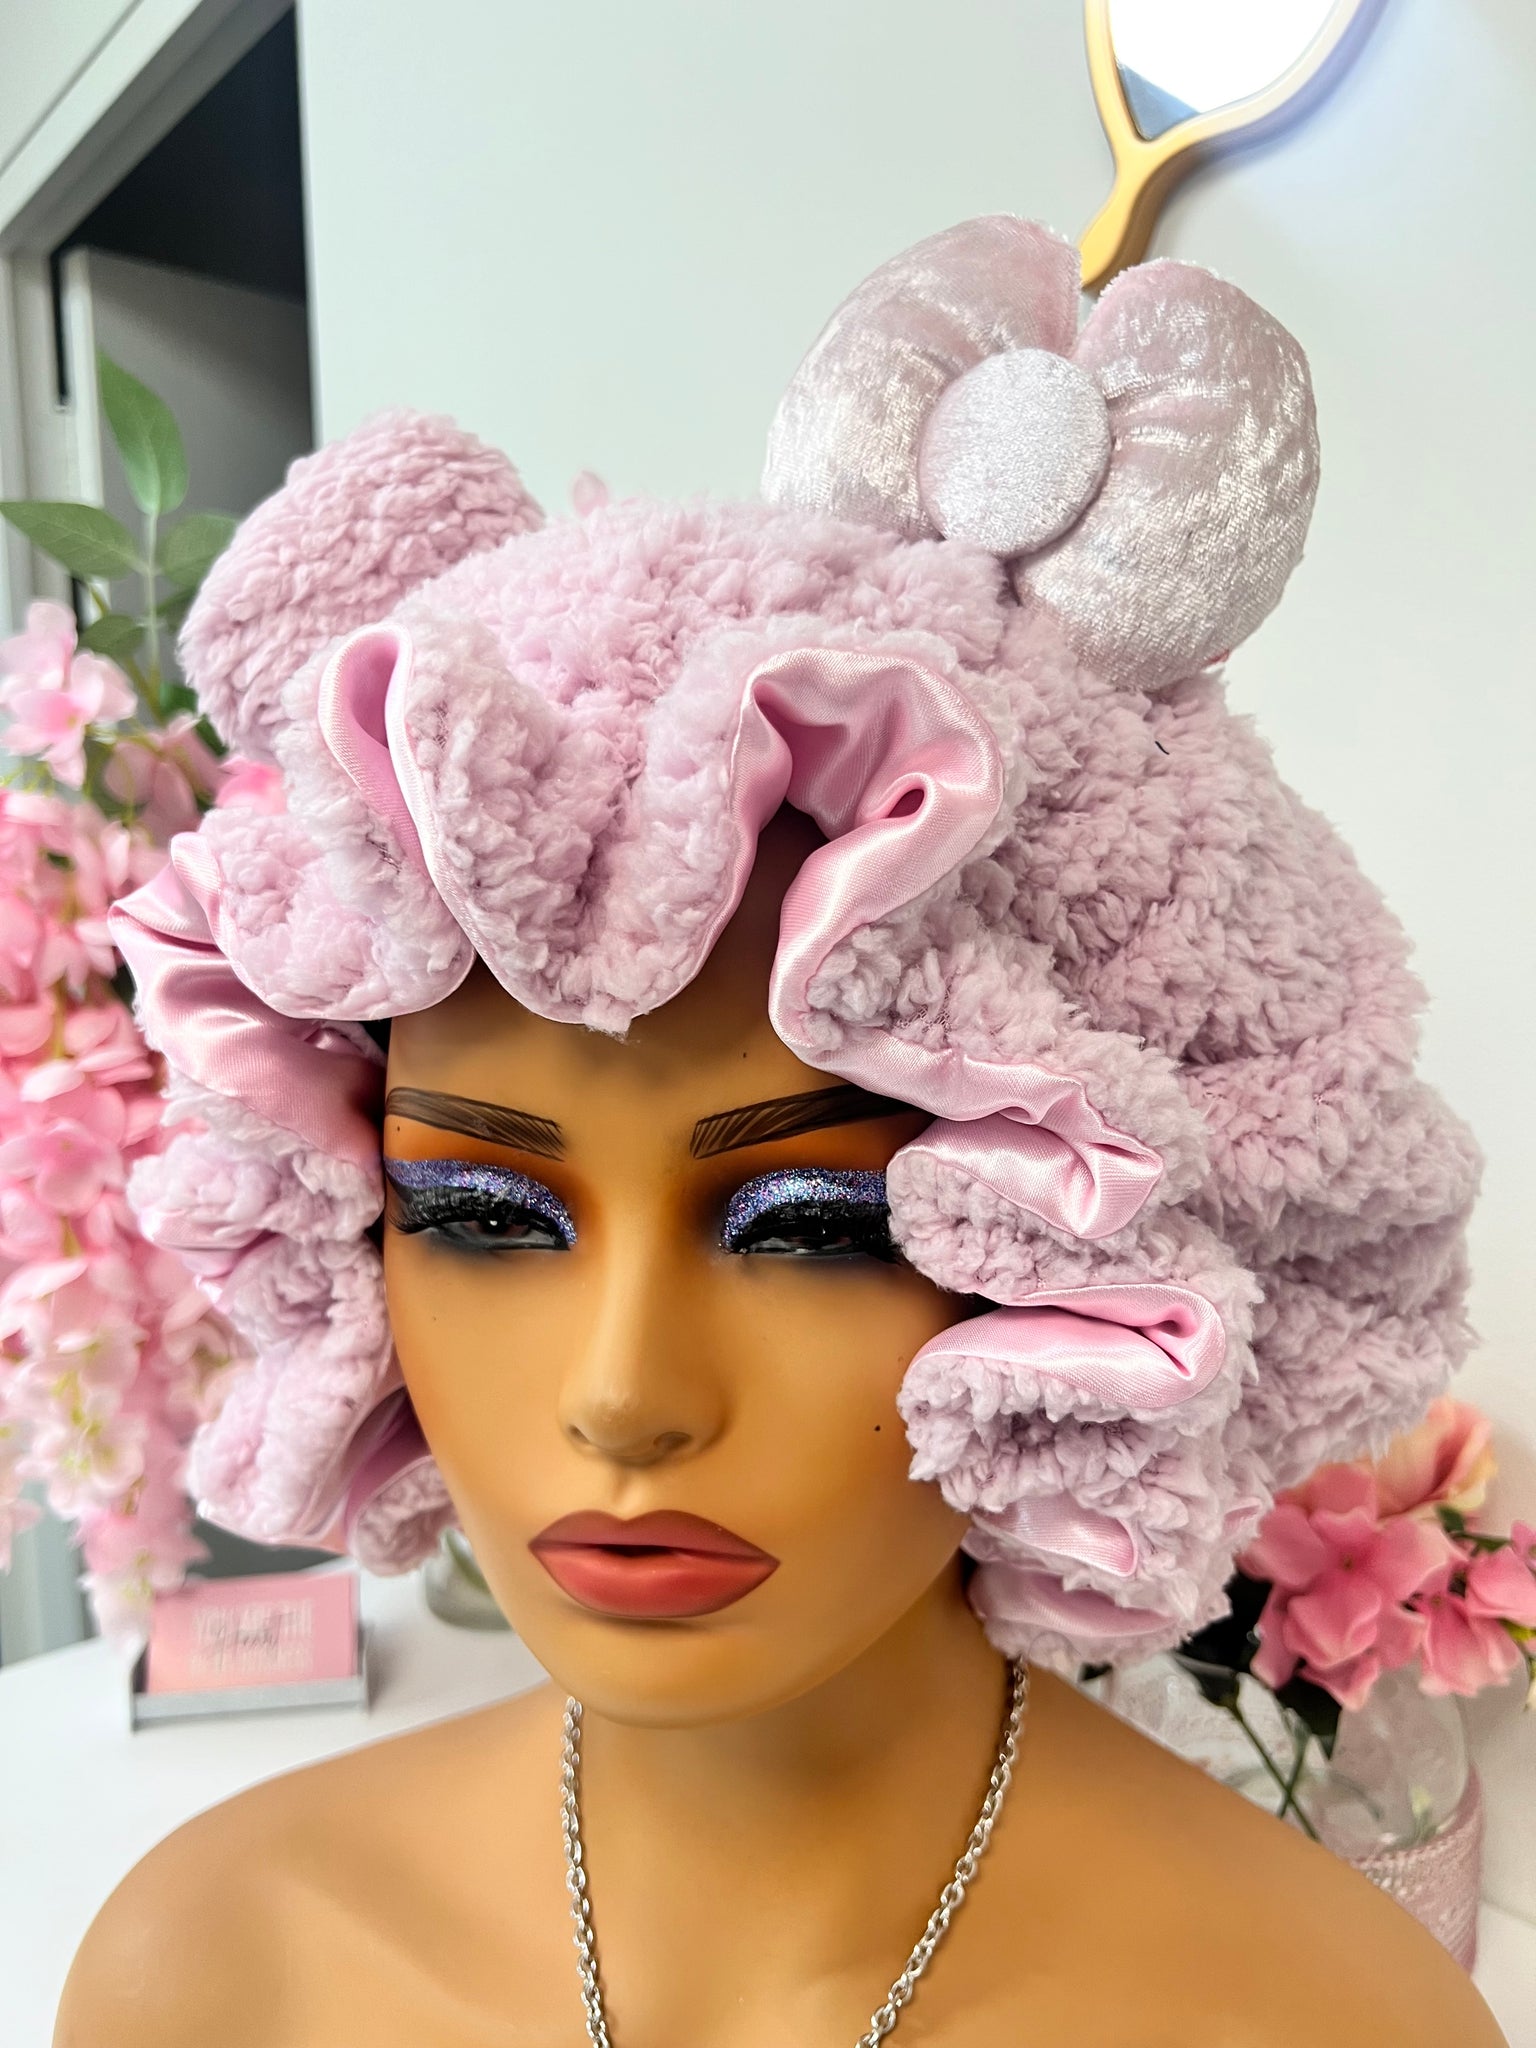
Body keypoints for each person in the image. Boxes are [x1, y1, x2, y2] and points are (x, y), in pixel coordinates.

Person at [58, 219, 1499, 2045]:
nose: (623, 1396)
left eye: (815, 1222)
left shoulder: (1331, 2019)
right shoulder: (219, 1974)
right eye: (485, 1214)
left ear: (1094, 1273)